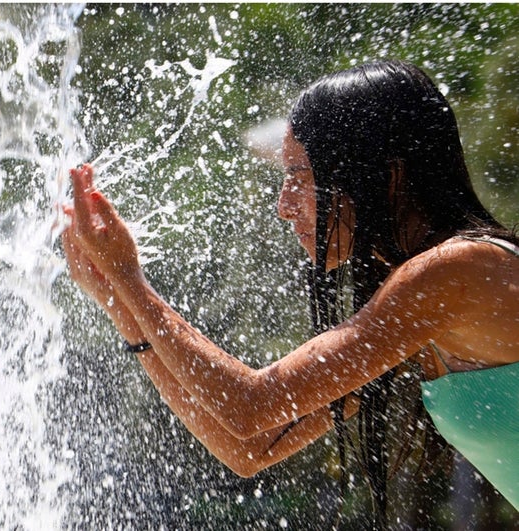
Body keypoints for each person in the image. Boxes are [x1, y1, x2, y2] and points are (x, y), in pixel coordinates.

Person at [60, 60, 518, 525]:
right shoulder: (417, 304)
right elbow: (251, 448)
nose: (283, 206)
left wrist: (129, 277)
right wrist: (119, 301)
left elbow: (249, 407)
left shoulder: (459, 270)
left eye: (300, 176)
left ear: (388, 176)